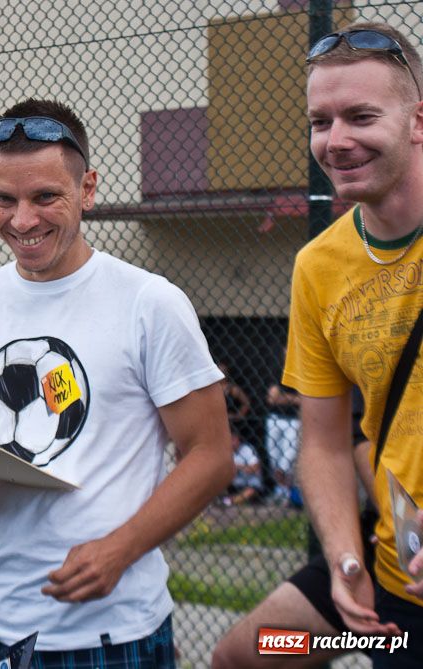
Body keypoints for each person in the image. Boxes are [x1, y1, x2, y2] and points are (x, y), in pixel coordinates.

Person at [0, 99, 233, 668]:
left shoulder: (149, 303)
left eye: (45, 197)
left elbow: (211, 455)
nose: (23, 220)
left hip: (114, 627)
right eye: (2, 199)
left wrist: (119, 551)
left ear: (88, 190)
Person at [286, 20, 423, 666]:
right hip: (392, 579)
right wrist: (344, 557)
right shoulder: (318, 265)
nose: (335, 141)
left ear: (418, 120)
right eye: (321, 121)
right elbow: (322, 441)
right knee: (250, 650)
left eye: (360, 116)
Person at [211, 387, 376, 668]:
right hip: (377, 552)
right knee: (241, 655)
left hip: (408, 604)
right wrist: (345, 558)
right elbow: (329, 443)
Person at [264, 373, 302, 504]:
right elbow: (271, 399)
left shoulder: (301, 374)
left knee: (288, 456)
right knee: (274, 455)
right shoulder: (278, 373)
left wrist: (282, 397)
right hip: (276, 418)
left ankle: (286, 491)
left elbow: (303, 400)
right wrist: (292, 398)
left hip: (293, 420)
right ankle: (281, 490)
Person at [223, 426, 263, 506]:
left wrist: (237, 467)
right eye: (229, 439)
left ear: (238, 439)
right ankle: (228, 500)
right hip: (233, 484)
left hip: (250, 484)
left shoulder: (247, 449)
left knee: (250, 491)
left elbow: (254, 468)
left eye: (233, 439)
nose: (231, 442)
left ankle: (230, 502)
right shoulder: (225, 451)